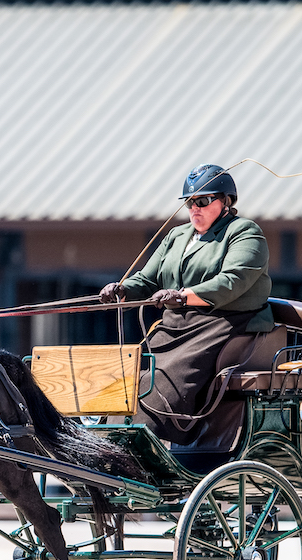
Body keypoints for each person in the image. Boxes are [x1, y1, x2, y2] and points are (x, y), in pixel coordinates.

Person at [99, 163, 272, 444]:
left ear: (226, 201)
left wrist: (182, 295)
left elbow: (232, 281)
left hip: (222, 327)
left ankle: (144, 448)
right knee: (128, 377)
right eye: (190, 202)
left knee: (161, 383)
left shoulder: (245, 233)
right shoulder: (177, 236)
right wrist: (122, 291)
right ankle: (106, 443)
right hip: (173, 327)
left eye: (203, 201)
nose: (195, 208)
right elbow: (147, 279)